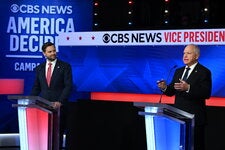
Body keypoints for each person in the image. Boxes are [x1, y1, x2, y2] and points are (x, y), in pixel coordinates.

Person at [157, 44, 212, 150]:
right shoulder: (179, 71)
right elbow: (171, 91)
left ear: (196, 56)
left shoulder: (204, 72)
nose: (185, 56)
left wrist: (188, 87)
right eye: (184, 53)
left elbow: (206, 93)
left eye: (188, 53)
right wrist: (164, 88)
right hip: (178, 118)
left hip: (195, 119)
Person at [30, 41, 73, 149]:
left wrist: (60, 102)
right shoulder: (39, 68)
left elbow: (68, 86)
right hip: (43, 108)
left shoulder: (65, 66)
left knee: (57, 134)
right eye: (50, 51)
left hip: (59, 107)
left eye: (54, 50)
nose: (53, 53)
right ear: (44, 53)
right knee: (44, 134)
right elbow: (36, 87)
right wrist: (29, 101)